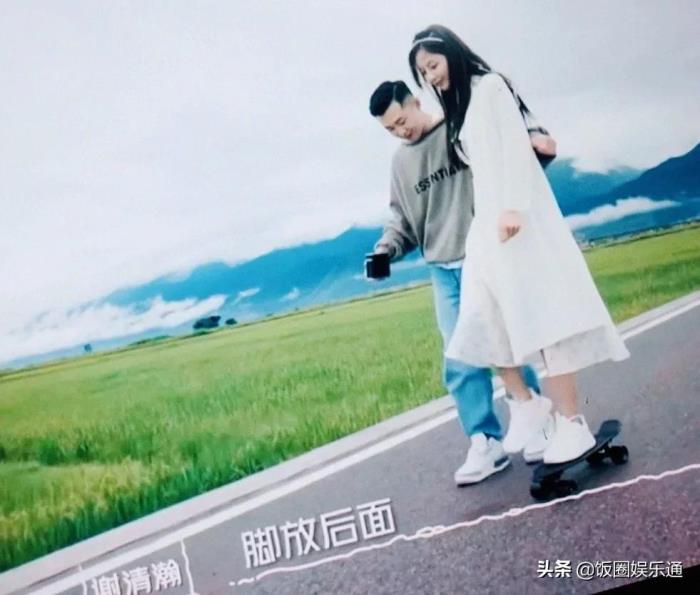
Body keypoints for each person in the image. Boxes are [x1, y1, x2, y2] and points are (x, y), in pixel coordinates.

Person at [407, 25, 630, 464]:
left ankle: (571, 421)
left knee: (547, 321)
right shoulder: (460, 107)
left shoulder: (490, 86)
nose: (431, 77)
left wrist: (513, 207)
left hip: (519, 221)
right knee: (480, 318)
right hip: (487, 228)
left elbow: (515, 147)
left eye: (433, 65)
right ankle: (526, 403)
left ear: (452, 52)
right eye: (424, 73)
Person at [368, 80, 554, 484]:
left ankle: (537, 419)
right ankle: (485, 441)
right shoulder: (401, 163)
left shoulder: (458, 130)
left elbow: (505, 158)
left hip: (483, 257)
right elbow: (402, 219)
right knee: (460, 357)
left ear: (415, 102)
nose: (400, 131)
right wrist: (385, 250)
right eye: (390, 129)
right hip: (442, 268)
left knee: (508, 342)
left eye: (401, 120)